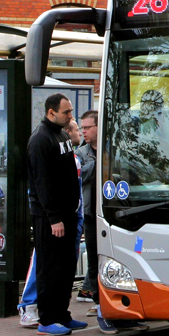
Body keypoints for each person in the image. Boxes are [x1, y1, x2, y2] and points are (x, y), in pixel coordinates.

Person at [27, 93, 87, 336]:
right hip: (51, 218)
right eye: (66, 112)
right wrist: (54, 218)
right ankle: (47, 319)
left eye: (70, 111)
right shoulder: (40, 140)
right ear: (51, 112)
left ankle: (62, 314)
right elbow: (42, 184)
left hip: (68, 214)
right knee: (50, 269)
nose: (70, 116)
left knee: (65, 269)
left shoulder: (62, 134)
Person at [76, 111, 99, 305]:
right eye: (82, 128)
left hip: (111, 210)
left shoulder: (112, 149)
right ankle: (93, 294)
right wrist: (99, 165)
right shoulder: (81, 153)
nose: (84, 132)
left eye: (87, 127)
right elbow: (77, 176)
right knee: (92, 255)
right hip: (90, 213)